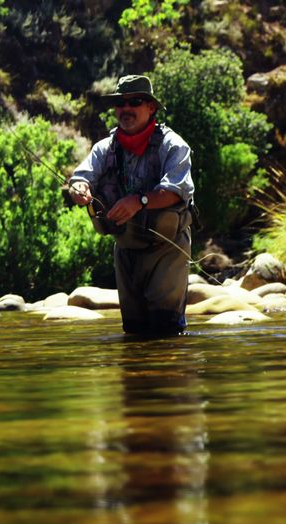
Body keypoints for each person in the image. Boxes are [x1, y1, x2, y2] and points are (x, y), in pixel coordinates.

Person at [67, 75, 195, 336]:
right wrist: (79, 190)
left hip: (166, 250)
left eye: (134, 102)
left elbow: (176, 191)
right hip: (125, 249)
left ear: (151, 108)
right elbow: (80, 178)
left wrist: (139, 201)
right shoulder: (105, 148)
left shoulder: (174, 146)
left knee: (165, 330)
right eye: (120, 103)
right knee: (134, 331)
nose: (126, 109)